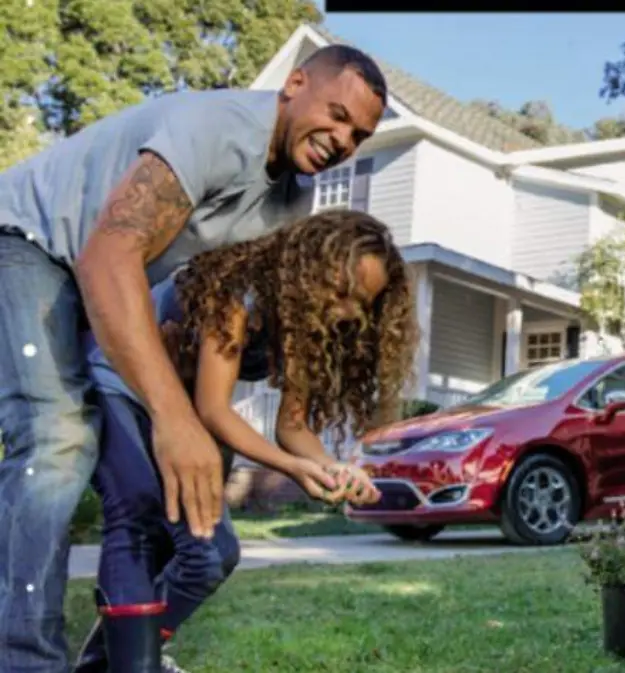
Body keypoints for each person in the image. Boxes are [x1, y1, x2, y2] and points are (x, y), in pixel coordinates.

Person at [0, 44, 387, 670]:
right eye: (337, 114)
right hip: (28, 241)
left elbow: (217, 297)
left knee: (160, 509)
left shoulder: (290, 201)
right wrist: (175, 415)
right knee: (57, 440)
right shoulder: (213, 130)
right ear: (294, 84)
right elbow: (107, 259)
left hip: (97, 286)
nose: (343, 139)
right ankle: (22, 661)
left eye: (359, 134)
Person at [73, 210, 417, 673]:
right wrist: (292, 469)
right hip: (120, 383)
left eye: (361, 304)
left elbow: (292, 428)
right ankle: (133, 664)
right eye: (342, 291)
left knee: (212, 555)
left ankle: (102, 664)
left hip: (183, 416)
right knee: (136, 516)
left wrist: (332, 466)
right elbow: (215, 408)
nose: (346, 311)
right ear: (308, 264)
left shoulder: (303, 330)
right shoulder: (236, 290)